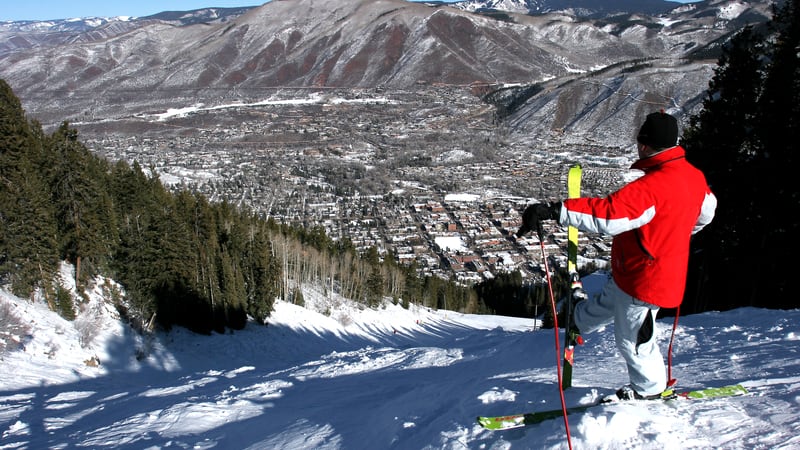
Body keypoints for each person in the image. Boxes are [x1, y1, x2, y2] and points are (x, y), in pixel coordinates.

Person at [516, 110, 717, 400]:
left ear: (644, 145)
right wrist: (675, 234)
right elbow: (706, 214)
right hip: (634, 271)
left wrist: (554, 210)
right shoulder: (694, 178)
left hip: (647, 281)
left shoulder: (651, 188)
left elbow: (609, 215)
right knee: (611, 300)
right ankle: (579, 320)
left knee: (634, 340)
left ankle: (649, 392)